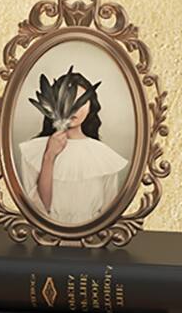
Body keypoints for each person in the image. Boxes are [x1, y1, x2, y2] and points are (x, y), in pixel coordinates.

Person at [14, 67, 130, 226]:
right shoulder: (33, 151)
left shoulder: (103, 156)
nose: (75, 107)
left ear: (91, 106)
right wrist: (49, 156)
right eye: (69, 99)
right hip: (46, 239)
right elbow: (40, 208)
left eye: (81, 100)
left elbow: (108, 213)